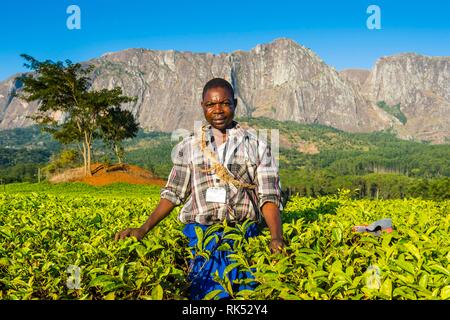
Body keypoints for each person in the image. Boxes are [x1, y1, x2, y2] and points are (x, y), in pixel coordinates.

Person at [115, 78, 284, 299]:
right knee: (202, 294)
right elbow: (173, 193)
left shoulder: (257, 146)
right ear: (202, 106)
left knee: (246, 295)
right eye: (211, 105)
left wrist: (276, 238)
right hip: (201, 236)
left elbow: (268, 195)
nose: (218, 110)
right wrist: (143, 229)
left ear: (235, 104)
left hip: (243, 234)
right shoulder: (189, 146)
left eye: (225, 103)